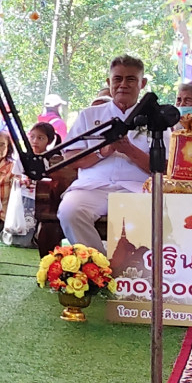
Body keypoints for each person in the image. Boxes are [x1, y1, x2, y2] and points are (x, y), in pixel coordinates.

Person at [56, 57, 152, 249]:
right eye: (118, 79)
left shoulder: (155, 119)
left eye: (131, 79)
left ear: (142, 84)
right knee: (69, 210)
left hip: (136, 188)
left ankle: (133, 273)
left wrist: (129, 150)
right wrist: (104, 151)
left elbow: (164, 166)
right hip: (92, 187)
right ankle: (97, 266)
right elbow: (70, 158)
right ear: (109, 82)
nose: (123, 85)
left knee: (149, 212)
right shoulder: (89, 115)